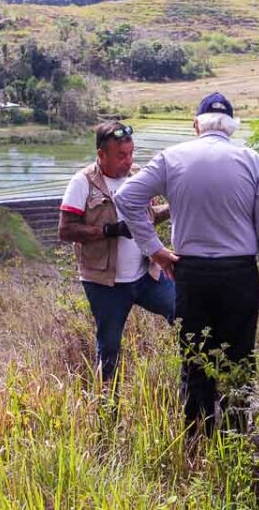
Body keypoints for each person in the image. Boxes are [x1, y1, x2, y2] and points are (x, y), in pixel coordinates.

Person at [114, 92, 259, 435]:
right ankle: (235, 442)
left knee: (195, 361)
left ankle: (196, 444)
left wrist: (156, 250)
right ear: (231, 128)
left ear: (196, 125)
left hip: (188, 273)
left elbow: (126, 198)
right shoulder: (250, 159)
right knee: (239, 361)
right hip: (238, 274)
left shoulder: (172, 157)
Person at [57, 121, 174, 384]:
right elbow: (66, 230)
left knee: (184, 312)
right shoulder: (82, 182)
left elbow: (147, 217)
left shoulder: (137, 176)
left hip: (146, 276)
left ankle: (192, 383)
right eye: (121, 155)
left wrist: (174, 207)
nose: (128, 161)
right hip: (105, 284)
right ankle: (107, 411)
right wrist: (111, 230)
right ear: (102, 155)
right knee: (109, 349)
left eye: (131, 153)